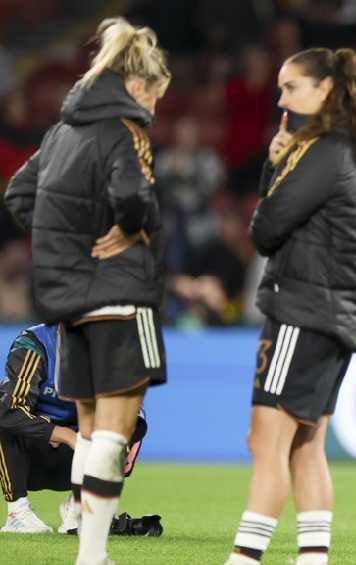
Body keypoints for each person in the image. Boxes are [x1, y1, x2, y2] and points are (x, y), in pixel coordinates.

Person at [224, 47, 356, 565]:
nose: (282, 99)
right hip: (332, 317)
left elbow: (264, 229)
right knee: (306, 443)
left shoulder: (322, 151)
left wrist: (274, 165)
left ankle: (244, 559)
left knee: (267, 440)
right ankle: (312, 558)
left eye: (291, 87)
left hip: (303, 312)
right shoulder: (342, 150)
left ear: (324, 91)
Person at [4, 17, 170, 565]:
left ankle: (91, 553)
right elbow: (132, 201)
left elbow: (19, 194)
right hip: (122, 293)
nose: (154, 106)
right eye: (155, 95)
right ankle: (91, 553)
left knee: (90, 423)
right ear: (140, 86)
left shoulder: (62, 131)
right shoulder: (125, 131)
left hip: (68, 301)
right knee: (113, 432)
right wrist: (127, 229)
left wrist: (67, 247)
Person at [0, 324, 148, 535]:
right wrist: (60, 433)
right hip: (29, 453)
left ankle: (80, 506)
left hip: (79, 456)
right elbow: (9, 411)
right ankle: (17, 513)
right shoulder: (35, 344)